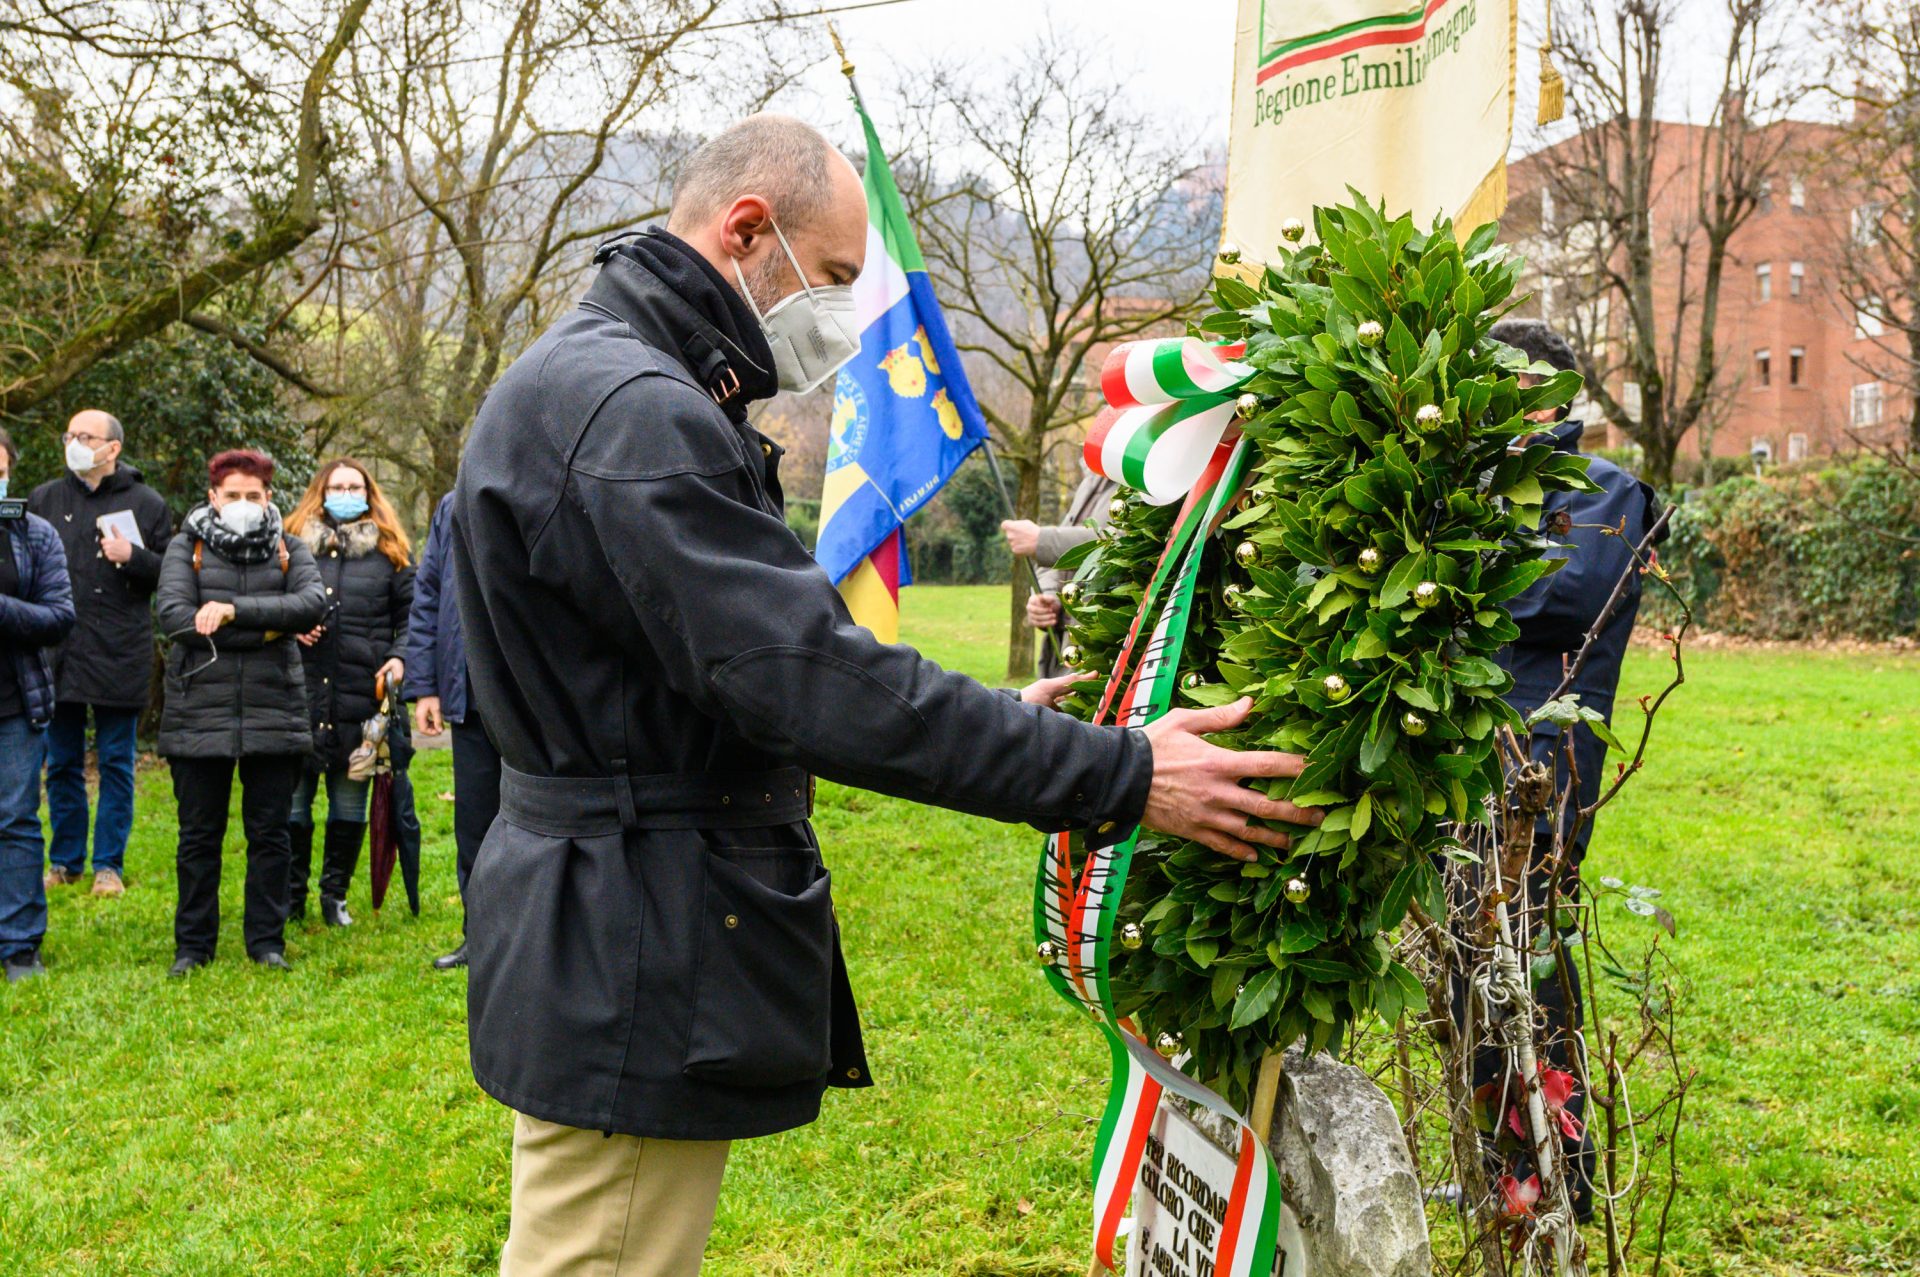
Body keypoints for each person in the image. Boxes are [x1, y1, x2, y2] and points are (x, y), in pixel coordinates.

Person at [452, 113, 1320, 1276]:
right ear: (749, 231)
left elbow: (716, 668)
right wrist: (1125, 773)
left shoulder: (609, 382)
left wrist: (1000, 722)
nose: (845, 316)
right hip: (627, 934)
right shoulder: (635, 411)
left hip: (609, 914)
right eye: (841, 277)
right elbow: (801, 676)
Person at [1482, 317, 1666, 1217]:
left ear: (1552, 393)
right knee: (1470, 963)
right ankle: (1495, 1159)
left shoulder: (1606, 492)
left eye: (1503, 381)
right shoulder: (1482, 491)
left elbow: (1548, 598)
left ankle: (1557, 1179)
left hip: (1542, 776)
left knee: (1533, 961)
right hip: (1462, 765)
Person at [155, 451, 326, 975]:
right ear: (213, 497)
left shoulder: (290, 548)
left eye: (254, 496)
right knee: (198, 836)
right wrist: (273, 629)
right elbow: (176, 619)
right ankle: (193, 946)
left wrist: (231, 610)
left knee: (271, 834)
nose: (244, 504)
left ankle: (266, 941)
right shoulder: (187, 548)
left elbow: (312, 604)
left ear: (269, 498)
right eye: (233, 496)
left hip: (274, 710)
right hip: (197, 712)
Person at [29, 409, 173, 898]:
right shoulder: (44, 499)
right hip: (57, 652)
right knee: (63, 762)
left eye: (84, 436)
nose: (73, 442)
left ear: (112, 448)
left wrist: (134, 559)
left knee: (115, 762)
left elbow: (170, 576)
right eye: (68, 434)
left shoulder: (148, 504)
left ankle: (108, 865)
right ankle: (65, 861)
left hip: (119, 650)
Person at [282, 458, 415, 928]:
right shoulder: (289, 546)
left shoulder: (390, 550)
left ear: (368, 492)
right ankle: (290, 897)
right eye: (336, 485)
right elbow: (271, 605)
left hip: (362, 691)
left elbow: (411, 617)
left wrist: (400, 656)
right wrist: (291, 628)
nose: (344, 493)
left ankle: (334, 895)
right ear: (320, 491)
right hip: (299, 692)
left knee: (350, 800)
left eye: (353, 486)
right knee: (293, 803)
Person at [407, 491, 497, 970]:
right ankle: (479, 939)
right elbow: (429, 595)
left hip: (537, 698)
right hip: (469, 694)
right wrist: (425, 688)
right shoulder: (453, 503)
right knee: (475, 828)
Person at [0, 428, 76, 983]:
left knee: (15, 820)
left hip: (14, 703)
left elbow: (58, 617)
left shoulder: (36, 533)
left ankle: (21, 945)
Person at [1002, 463, 1119, 677]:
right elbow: (1058, 561)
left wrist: (1043, 540)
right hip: (1063, 652)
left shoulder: (1151, 476)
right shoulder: (1093, 479)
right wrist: (1048, 597)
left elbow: (1124, 543)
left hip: (1108, 657)